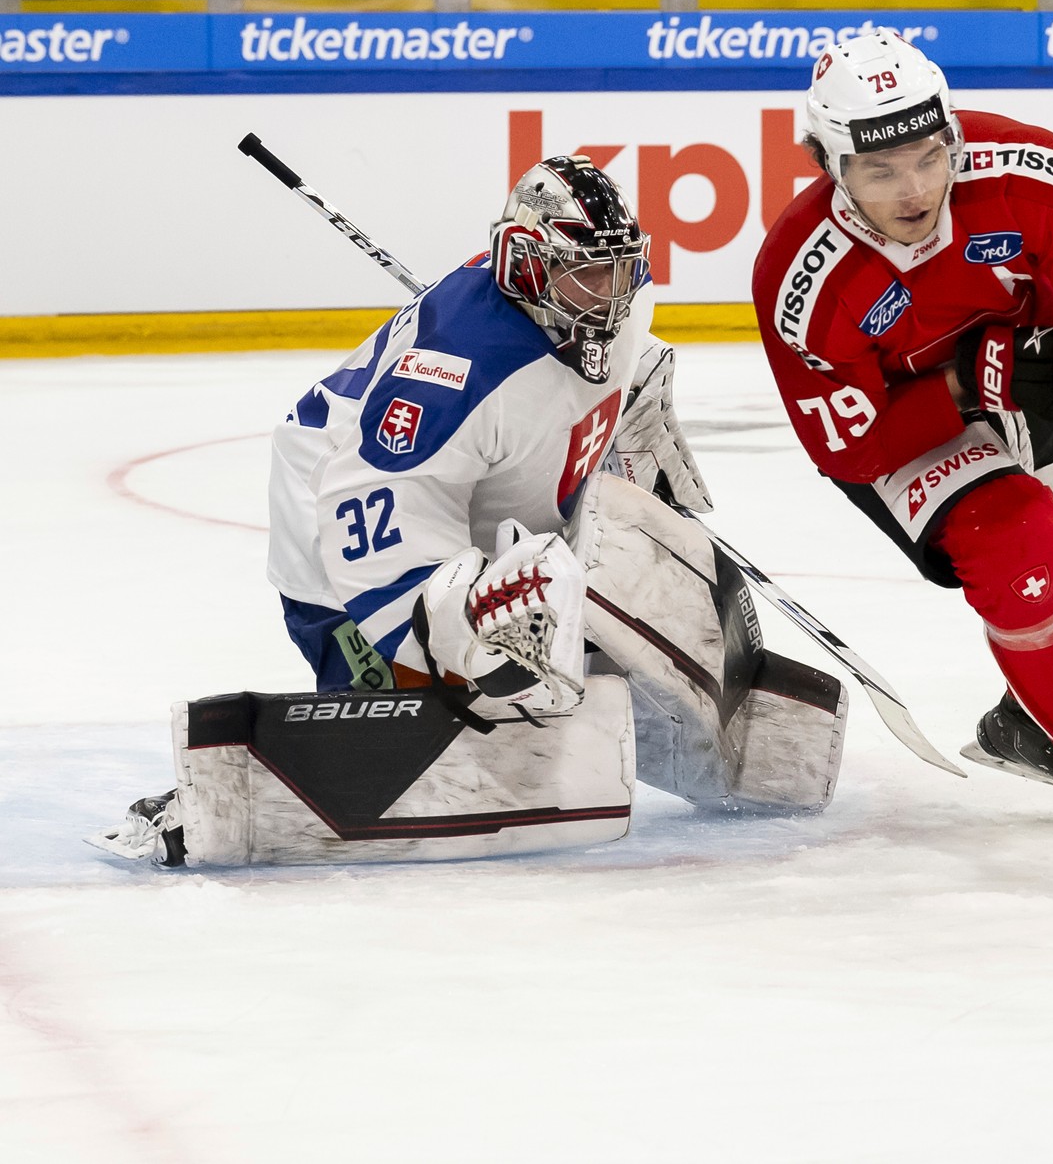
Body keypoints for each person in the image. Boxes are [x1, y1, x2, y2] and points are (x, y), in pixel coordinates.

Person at [96, 156, 848, 867]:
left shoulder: (605, 304)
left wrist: (636, 426)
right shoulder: (452, 372)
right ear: (528, 262)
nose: (612, 297)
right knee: (459, 685)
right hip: (338, 525)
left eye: (622, 272)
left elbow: (632, 351)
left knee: (560, 613)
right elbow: (370, 526)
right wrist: (452, 643)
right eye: (589, 277)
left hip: (479, 499)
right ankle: (360, 715)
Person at [751, 33, 1053, 864]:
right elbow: (852, 445)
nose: (916, 188)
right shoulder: (800, 278)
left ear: (951, 128)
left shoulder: (1028, 174)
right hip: (912, 428)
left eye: (930, 155)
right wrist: (975, 382)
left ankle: (1031, 719)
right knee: (1018, 542)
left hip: (1036, 368)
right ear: (826, 160)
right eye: (880, 170)